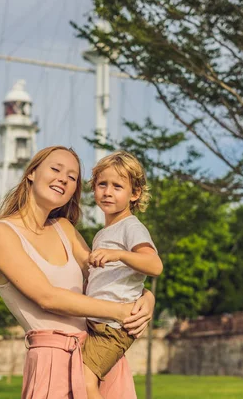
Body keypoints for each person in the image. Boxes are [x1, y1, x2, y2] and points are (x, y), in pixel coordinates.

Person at [0, 146, 155, 399]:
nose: (63, 178)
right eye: (55, 169)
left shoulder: (65, 229)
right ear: (31, 173)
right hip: (52, 363)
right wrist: (122, 311)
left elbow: (106, 276)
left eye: (72, 177)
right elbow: (48, 298)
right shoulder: (0, 234)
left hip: (97, 358)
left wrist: (146, 297)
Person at [81, 151, 162, 399]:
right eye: (102, 184)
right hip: (97, 322)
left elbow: (154, 265)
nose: (108, 192)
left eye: (117, 186)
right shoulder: (103, 233)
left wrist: (119, 255)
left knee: (85, 381)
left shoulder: (131, 227)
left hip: (114, 327)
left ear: (134, 193)